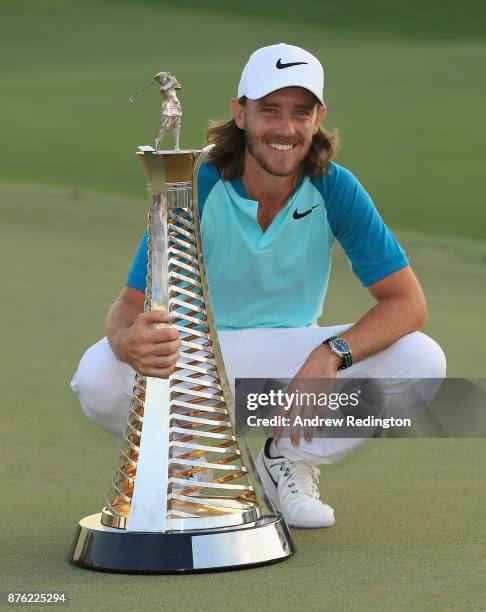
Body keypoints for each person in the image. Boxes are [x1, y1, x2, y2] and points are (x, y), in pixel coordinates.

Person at [71, 43, 446, 529]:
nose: (286, 128)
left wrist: (330, 354)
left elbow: (408, 304)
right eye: (269, 110)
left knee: (423, 360)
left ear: (318, 118)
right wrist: (127, 340)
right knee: (99, 374)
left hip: (288, 363)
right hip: (196, 360)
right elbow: (128, 305)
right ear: (240, 114)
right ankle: (194, 463)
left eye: (300, 112)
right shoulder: (196, 183)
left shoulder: (335, 187)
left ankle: (286, 456)